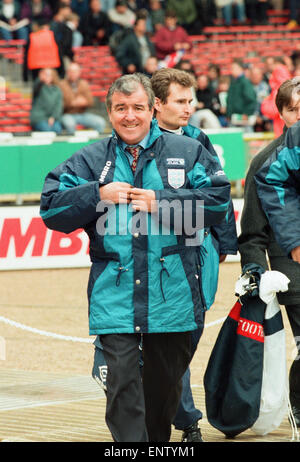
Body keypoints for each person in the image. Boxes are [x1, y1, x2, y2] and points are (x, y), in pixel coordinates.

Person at [40, 72, 231, 442]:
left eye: (138, 108)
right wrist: (97, 195)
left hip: (172, 297)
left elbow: (219, 204)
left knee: (163, 394)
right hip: (115, 296)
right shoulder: (90, 160)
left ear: (152, 108)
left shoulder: (188, 152)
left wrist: (164, 203)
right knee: (123, 388)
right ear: (110, 112)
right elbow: (50, 210)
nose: (130, 116)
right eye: (121, 108)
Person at [150, 66, 237, 442]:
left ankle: (174, 409)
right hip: (160, 255)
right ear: (157, 104)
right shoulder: (138, 142)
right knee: (173, 334)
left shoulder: (200, 138)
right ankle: (186, 420)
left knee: (189, 336)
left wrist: (224, 245)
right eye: (181, 101)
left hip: (202, 250)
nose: (189, 108)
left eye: (191, 100)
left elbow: (220, 196)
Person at [246, 79, 300, 428]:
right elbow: (251, 233)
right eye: (295, 109)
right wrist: (254, 276)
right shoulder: (266, 162)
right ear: (281, 113)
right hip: (292, 275)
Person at [59, 62, 106, 135]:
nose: (73, 74)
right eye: (71, 71)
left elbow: (90, 101)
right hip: (67, 114)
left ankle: (97, 145)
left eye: (75, 71)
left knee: (100, 122)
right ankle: (71, 145)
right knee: (70, 124)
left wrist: (82, 102)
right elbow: (59, 103)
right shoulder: (61, 84)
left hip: (82, 114)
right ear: (67, 73)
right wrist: (73, 103)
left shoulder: (84, 84)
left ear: (79, 73)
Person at [261, 56, 292, 137]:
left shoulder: (279, 88)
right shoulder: (291, 86)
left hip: (282, 130)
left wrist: (265, 102)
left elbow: (273, 110)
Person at [226, 58, 257, 131]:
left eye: (233, 68)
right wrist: (228, 114)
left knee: (247, 140)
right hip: (233, 118)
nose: (231, 70)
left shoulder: (245, 82)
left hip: (243, 119)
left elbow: (251, 99)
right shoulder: (233, 82)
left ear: (240, 69)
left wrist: (247, 113)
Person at [30, 67, 63, 133]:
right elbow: (36, 85)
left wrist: (53, 117)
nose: (46, 76)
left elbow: (58, 106)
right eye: (45, 74)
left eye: (48, 75)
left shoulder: (57, 90)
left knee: (57, 129)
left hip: (53, 118)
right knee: (47, 129)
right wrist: (40, 78)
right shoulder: (39, 86)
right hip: (39, 118)